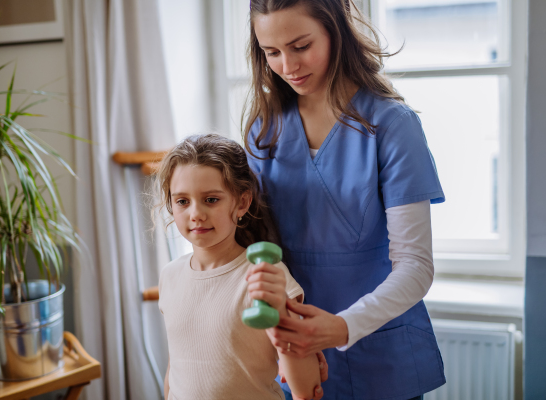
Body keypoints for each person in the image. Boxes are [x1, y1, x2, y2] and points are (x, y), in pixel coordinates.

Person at [243, 1, 447, 399]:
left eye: (301, 46)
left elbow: (416, 267)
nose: (288, 66)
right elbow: (255, 252)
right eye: (272, 53)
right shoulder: (263, 133)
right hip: (295, 356)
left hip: (382, 354)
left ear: (335, 32)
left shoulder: (392, 125)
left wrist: (341, 327)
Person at [155, 134, 322, 400]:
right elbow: (175, 369)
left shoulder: (266, 274)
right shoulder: (170, 275)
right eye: (182, 201)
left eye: (211, 199)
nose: (195, 213)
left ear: (242, 202)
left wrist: (281, 313)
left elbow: (306, 389)